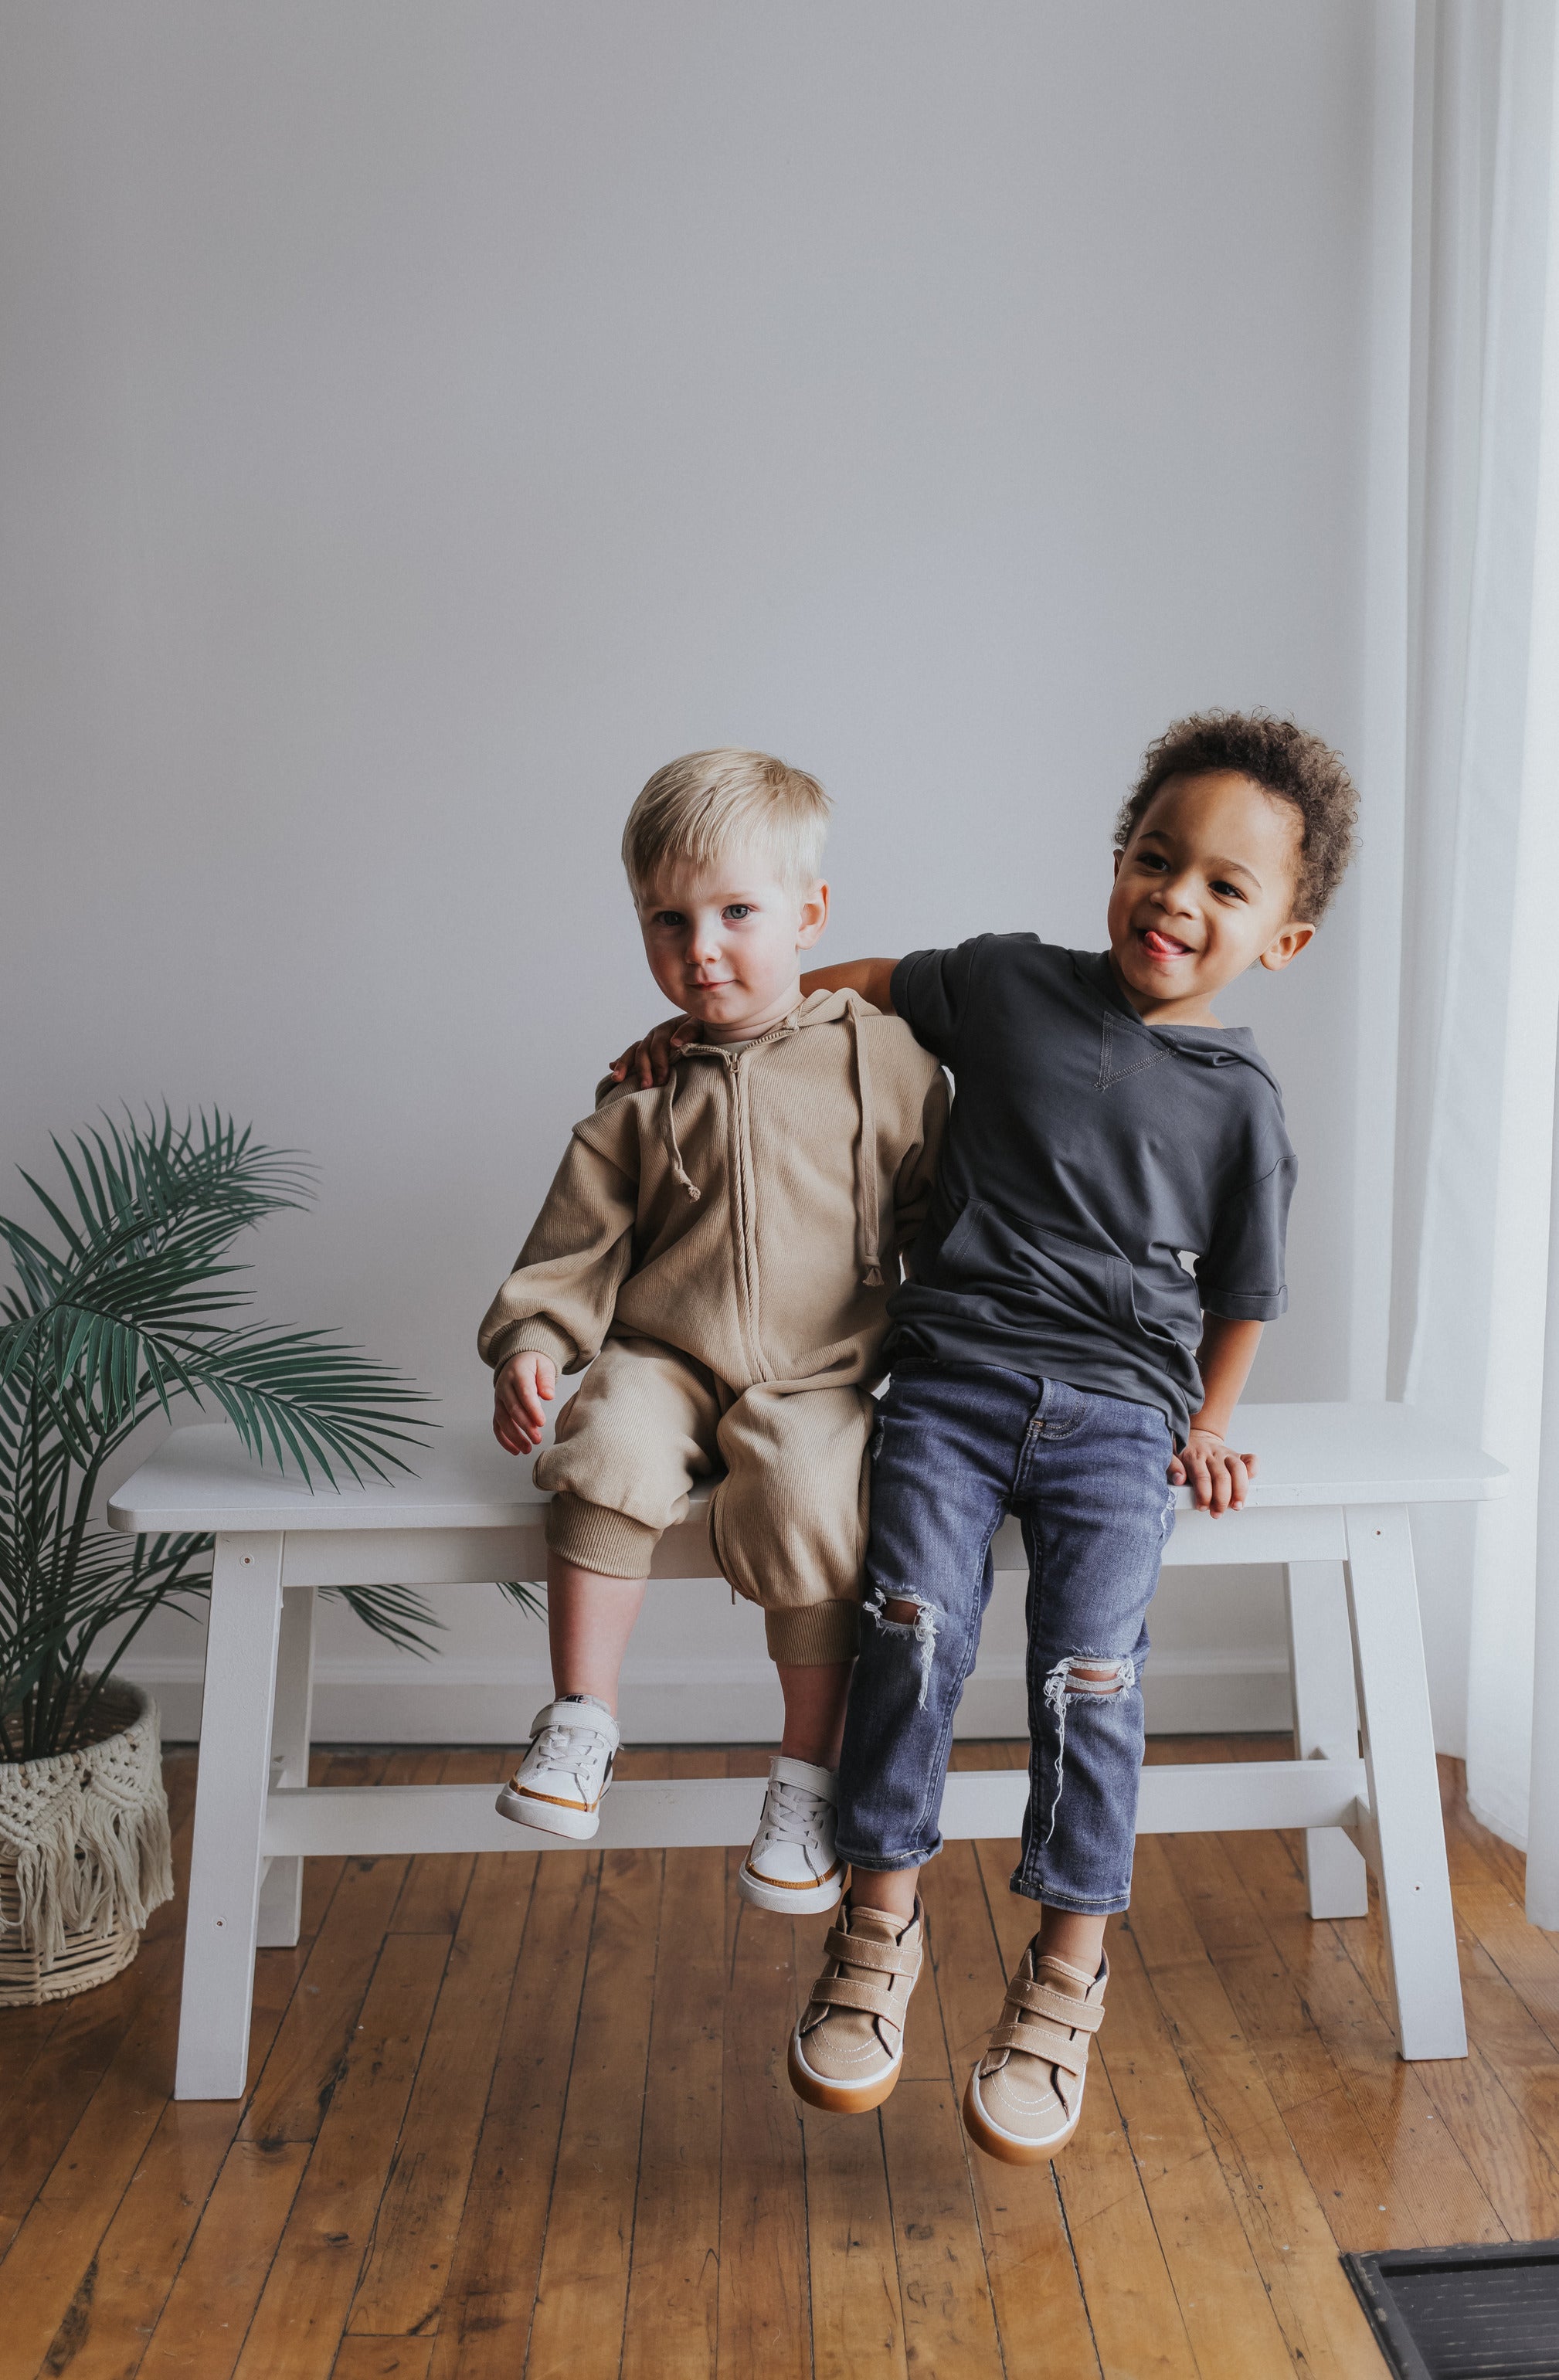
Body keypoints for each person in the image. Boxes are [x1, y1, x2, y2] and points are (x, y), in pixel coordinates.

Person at [613, 711, 1358, 2161]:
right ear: (1118, 858)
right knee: (907, 1621)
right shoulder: (1010, 981)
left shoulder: (1243, 1106)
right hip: (948, 1379)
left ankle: (1064, 1976)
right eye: (1156, 858)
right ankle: (874, 1929)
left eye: (1225, 886)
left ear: (1284, 936)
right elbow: (867, 981)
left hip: (1119, 1414)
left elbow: (1247, 1292)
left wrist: (1207, 1423)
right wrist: (731, 1026)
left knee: (1092, 1673)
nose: (1176, 899)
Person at [479, 748, 946, 1916]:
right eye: (668, 919)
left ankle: (804, 1779)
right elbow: (574, 1244)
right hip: (665, 1355)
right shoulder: (640, 1092)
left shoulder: (883, 1063)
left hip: (821, 1369)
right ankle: (580, 1722)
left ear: (809, 913)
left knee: (816, 1498)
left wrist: (953, 1357)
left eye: (738, 912)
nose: (703, 946)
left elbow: (941, 1218)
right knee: (606, 1446)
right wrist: (532, 1342)